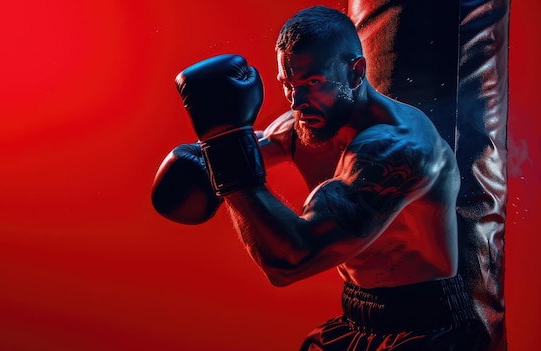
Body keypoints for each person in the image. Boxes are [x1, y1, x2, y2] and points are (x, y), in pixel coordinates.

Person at [152, 5, 489, 351]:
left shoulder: (399, 149)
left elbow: (290, 260)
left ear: (356, 72)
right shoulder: (302, 125)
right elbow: (222, 161)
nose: (298, 102)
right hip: (355, 320)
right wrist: (215, 144)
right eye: (289, 84)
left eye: (313, 82)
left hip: (427, 331)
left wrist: (225, 147)